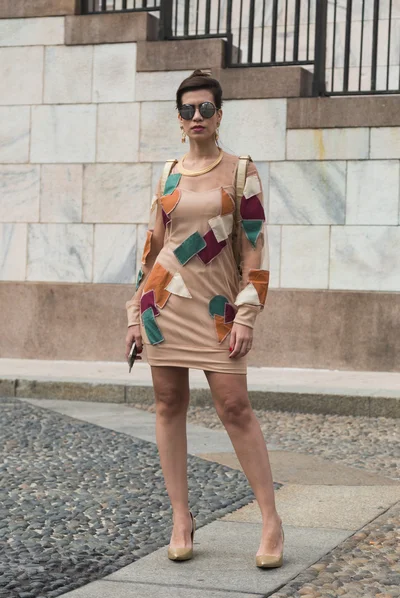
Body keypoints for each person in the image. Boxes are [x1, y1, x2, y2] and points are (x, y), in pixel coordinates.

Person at [125, 70, 284, 568]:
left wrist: (247, 314)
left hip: (218, 311)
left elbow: (254, 248)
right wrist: (135, 313)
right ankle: (181, 518)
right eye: (188, 109)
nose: (197, 117)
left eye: (205, 109)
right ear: (178, 117)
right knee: (167, 404)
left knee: (235, 407)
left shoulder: (241, 171)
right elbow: (152, 248)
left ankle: (271, 520)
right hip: (163, 305)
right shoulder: (169, 172)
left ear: (219, 115)